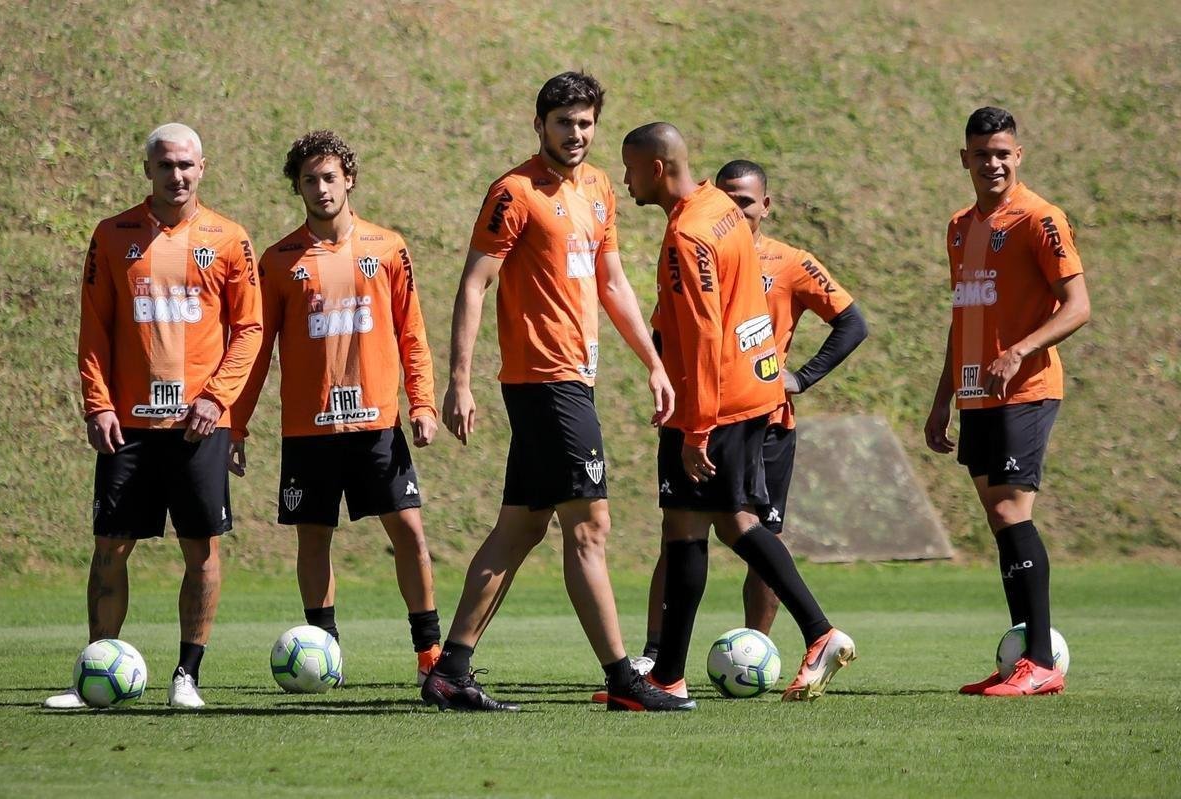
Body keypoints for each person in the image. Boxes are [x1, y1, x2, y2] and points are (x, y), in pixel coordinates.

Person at [420, 72, 692, 712]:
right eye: (565, 122)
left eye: (586, 123)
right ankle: (625, 678)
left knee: (519, 527)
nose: (577, 134)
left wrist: (652, 362)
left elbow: (613, 281)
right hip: (544, 383)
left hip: (577, 379)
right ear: (539, 124)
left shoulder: (599, 188)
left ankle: (451, 669)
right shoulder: (513, 193)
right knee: (590, 526)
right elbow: (472, 285)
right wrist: (458, 380)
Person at [620, 123, 857, 706]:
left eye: (629, 169)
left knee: (735, 524)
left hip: (718, 401)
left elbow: (703, 332)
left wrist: (696, 428)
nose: (624, 181)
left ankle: (819, 632)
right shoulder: (721, 207)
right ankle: (667, 677)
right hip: (752, 391)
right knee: (692, 525)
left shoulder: (691, 234)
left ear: (655, 168)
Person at [47, 123, 263, 709]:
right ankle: (95, 670)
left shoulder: (228, 238)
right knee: (110, 547)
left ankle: (186, 677)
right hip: (130, 427)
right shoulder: (113, 235)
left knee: (202, 551)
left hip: (200, 425)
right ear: (148, 169)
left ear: (203, 167)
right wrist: (97, 403)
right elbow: (95, 327)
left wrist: (217, 398)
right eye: (166, 165)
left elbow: (249, 330)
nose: (177, 175)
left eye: (187, 165)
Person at [230, 131, 442, 685]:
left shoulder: (388, 246)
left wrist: (422, 403)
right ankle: (327, 654)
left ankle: (429, 655)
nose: (321, 188)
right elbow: (256, 347)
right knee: (314, 537)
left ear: (349, 179)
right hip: (309, 428)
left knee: (410, 533)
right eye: (309, 179)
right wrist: (237, 423)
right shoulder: (278, 261)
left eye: (330, 177)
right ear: (297, 187)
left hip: (378, 423)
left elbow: (411, 332)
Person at [925, 107, 1089, 696]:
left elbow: (1077, 306)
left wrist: (1020, 350)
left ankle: (1040, 661)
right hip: (976, 396)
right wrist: (943, 397)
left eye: (1003, 153)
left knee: (1012, 515)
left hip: (1027, 388)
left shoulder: (1041, 219)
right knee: (1001, 521)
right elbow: (962, 315)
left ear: (1018, 156)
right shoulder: (959, 225)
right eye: (981, 153)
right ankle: (1024, 659)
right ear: (964, 158)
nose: (992, 162)